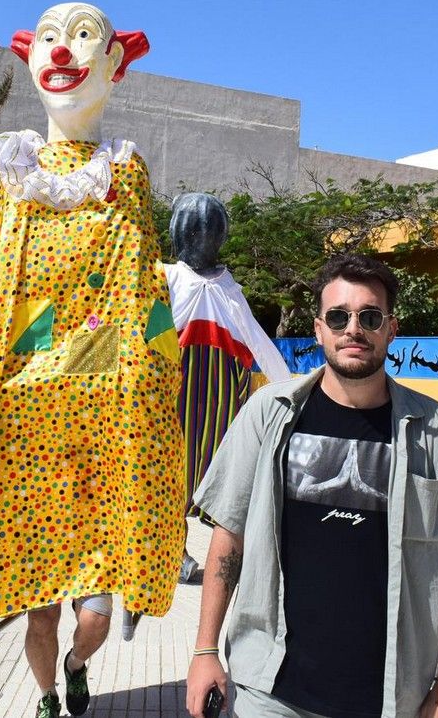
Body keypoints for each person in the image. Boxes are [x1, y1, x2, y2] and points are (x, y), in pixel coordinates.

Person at [0, 2, 182, 718]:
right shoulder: (17, 170)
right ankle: (49, 696)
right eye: (51, 39)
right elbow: (2, 282)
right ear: (31, 59)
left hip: (104, 411)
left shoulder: (126, 169)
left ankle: (81, 664)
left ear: (115, 64)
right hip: (34, 417)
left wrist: (153, 377)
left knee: (90, 615)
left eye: (83, 37)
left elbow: (145, 280)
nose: (64, 52)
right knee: (38, 609)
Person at [185, 254, 438, 718]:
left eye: (369, 317)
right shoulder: (267, 413)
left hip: (392, 693)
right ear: (319, 330)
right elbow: (227, 536)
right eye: (339, 316)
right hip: (271, 687)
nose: (353, 329)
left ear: (391, 330)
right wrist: (204, 650)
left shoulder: (435, 430)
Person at [165, 192, 291, 582]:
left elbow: (257, 341)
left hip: (221, 403)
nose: (206, 237)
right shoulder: (165, 278)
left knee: (225, 477)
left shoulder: (228, 289)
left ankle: (229, 554)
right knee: (168, 480)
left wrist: (290, 388)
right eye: (200, 229)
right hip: (172, 398)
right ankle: (171, 555)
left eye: (212, 230)